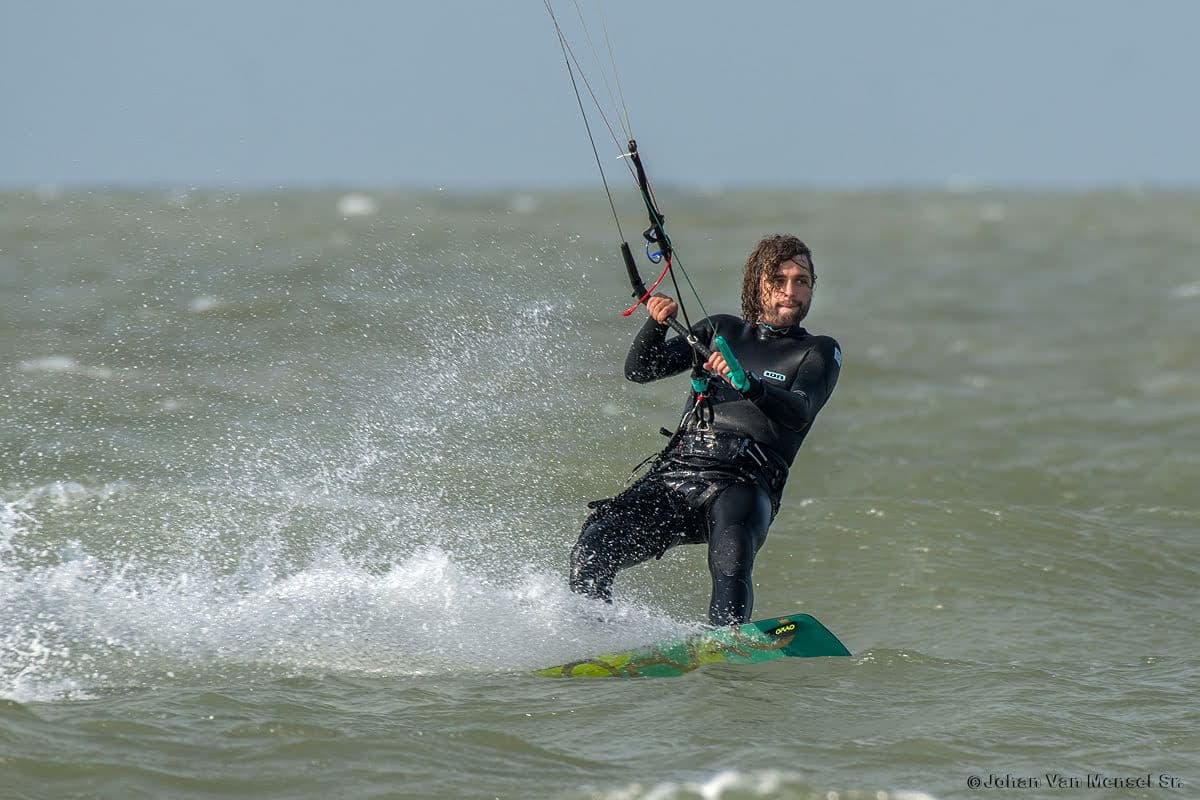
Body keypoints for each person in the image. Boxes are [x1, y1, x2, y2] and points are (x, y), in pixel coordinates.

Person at [569, 234, 841, 626]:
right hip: (679, 473)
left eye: (802, 281)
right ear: (756, 283)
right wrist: (655, 323)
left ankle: (724, 645)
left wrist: (750, 384)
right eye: (778, 280)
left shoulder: (817, 351)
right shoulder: (721, 330)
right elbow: (641, 370)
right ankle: (591, 634)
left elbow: (800, 410)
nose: (790, 291)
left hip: (745, 481)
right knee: (594, 545)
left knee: (730, 558)